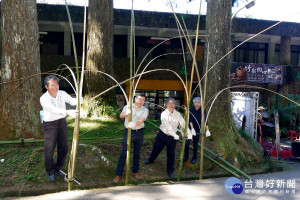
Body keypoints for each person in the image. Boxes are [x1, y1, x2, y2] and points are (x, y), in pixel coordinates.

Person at [40, 75, 82, 181]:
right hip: (49, 125)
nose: (55, 87)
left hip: (61, 123)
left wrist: (79, 99)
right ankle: (50, 171)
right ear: (46, 86)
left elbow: (72, 101)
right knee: (49, 149)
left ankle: (58, 168)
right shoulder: (44, 98)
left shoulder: (62, 93)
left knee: (64, 147)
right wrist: (68, 112)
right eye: (52, 85)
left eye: (57, 84)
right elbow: (54, 109)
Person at [144, 97, 192, 178]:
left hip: (172, 138)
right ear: (166, 105)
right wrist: (174, 134)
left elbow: (183, 124)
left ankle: (170, 171)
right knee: (156, 150)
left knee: (171, 154)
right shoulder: (164, 114)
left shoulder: (177, 114)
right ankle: (151, 159)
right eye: (169, 103)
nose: (171, 105)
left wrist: (189, 133)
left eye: (173, 103)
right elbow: (167, 126)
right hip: (162, 135)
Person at [113, 94, 149, 183]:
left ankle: (135, 171)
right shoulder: (128, 107)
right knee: (123, 153)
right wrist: (127, 113)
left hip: (139, 132)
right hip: (128, 132)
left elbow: (142, 119)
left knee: (137, 153)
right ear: (135, 99)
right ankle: (118, 174)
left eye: (143, 100)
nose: (141, 102)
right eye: (139, 99)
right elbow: (121, 116)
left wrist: (134, 124)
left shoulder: (145, 110)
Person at [184, 97, 211, 164]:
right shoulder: (190, 109)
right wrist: (192, 129)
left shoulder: (203, 110)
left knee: (195, 145)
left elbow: (205, 120)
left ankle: (194, 158)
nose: (197, 104)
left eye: (199, 102)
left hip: (198, 128)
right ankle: (186, 156)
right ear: (193, 103)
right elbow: (189, 120)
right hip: (190, 128)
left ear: (201, 103)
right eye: (196, 102)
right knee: (187, 143)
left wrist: (207, 130)